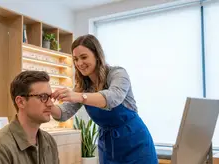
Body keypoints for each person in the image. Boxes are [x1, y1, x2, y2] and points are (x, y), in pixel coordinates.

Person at [51, 34, 158, 164]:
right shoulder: (83, 86)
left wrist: (79, 96)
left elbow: (113, 98)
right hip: (108, 147)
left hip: (135, 142)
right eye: (75, 59)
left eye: (84, 57)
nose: (79, 63)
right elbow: (63, 113)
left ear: (97, 55)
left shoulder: (118, 73)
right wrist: (47, 105)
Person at [0, 70, 59, 164]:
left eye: (50, 97)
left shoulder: (49, 142)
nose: (50, 104)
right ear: (20, 102)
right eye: (43, 97)